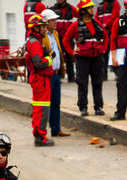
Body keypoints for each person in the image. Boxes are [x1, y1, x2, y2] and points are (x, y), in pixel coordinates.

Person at [63, 0, 109, 117]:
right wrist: (72, 51)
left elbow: (106, 37)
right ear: (83, 11)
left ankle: (98, 107)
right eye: (89, 8)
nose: (92, 10)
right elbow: (65, 40)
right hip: (83, 59)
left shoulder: (97, 23)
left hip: (97, 58)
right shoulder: (75, 25)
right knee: (82, 83)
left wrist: (103, 49)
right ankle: (83, 107)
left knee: (98, 82)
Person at [26, 14, 55, 146]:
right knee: (42, 109)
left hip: (40, 80)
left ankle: (39, 135)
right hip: (40, 80)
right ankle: (40, 137)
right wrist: (49, 59)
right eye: (42, 26)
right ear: (35, 28)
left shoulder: (35, 41)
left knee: (40, 108)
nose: (45, 29)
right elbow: (38, 63)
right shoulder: (36, 43)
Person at [42, 8, 71, 138]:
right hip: (47, 74)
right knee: (46, 103)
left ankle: (56, 128)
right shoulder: (42, 37)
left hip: (55, 73)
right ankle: (43, 131)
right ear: (46, 22)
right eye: (53, 20)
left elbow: (58, 52)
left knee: (56, 102)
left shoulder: (55, 34)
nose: (56, 22)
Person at [50, 0, 79, 82]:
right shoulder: (52, 9)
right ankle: (58, 77)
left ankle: (71, 77)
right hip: (57, 37)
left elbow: (80, 17)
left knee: (70, 56)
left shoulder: (72, 9)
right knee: (58, 56)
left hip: (69, 37)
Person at [95, 0, 121, 80]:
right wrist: (99, 27)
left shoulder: (115, 3)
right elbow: (96, 18)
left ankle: (118, 73)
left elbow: (114, 16)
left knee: (113, 52)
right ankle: (103, 75)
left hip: (112, 32)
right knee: (103, 53)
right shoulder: (100, 6)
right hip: (103, 32)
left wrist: (105, 25)